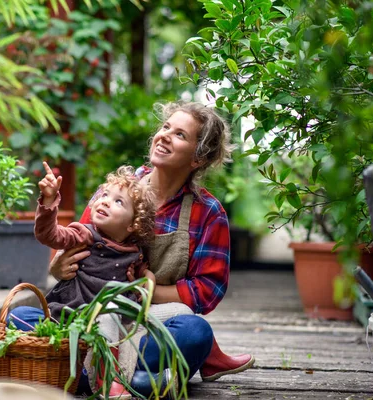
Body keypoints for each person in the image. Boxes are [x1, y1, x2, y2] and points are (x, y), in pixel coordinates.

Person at [49, 101, 255, 395]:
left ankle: (92, 374)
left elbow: (207, 290)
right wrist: (58, 266)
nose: (164, 135)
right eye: (165, 127)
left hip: (147, 325)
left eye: (180, 135)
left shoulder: (208, 213)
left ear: (198, 158)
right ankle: (142, 382)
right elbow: (75, 241)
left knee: (196, 333)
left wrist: (139, 290)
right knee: (25, 318)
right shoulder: (117, 189)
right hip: (92, 318)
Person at [11, 161, 157, 400]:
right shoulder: (84, 234)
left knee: (117, 316)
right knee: (19, 315)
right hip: (69, 320)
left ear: (133, 224)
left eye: (118, 201)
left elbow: (138, 289)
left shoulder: (135, 252)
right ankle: (103, 376)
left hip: (109, 330)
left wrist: (144, 284)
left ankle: (103, 375)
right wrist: (48, 203)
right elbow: (50, 235)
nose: (106, 201)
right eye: (105, 195)